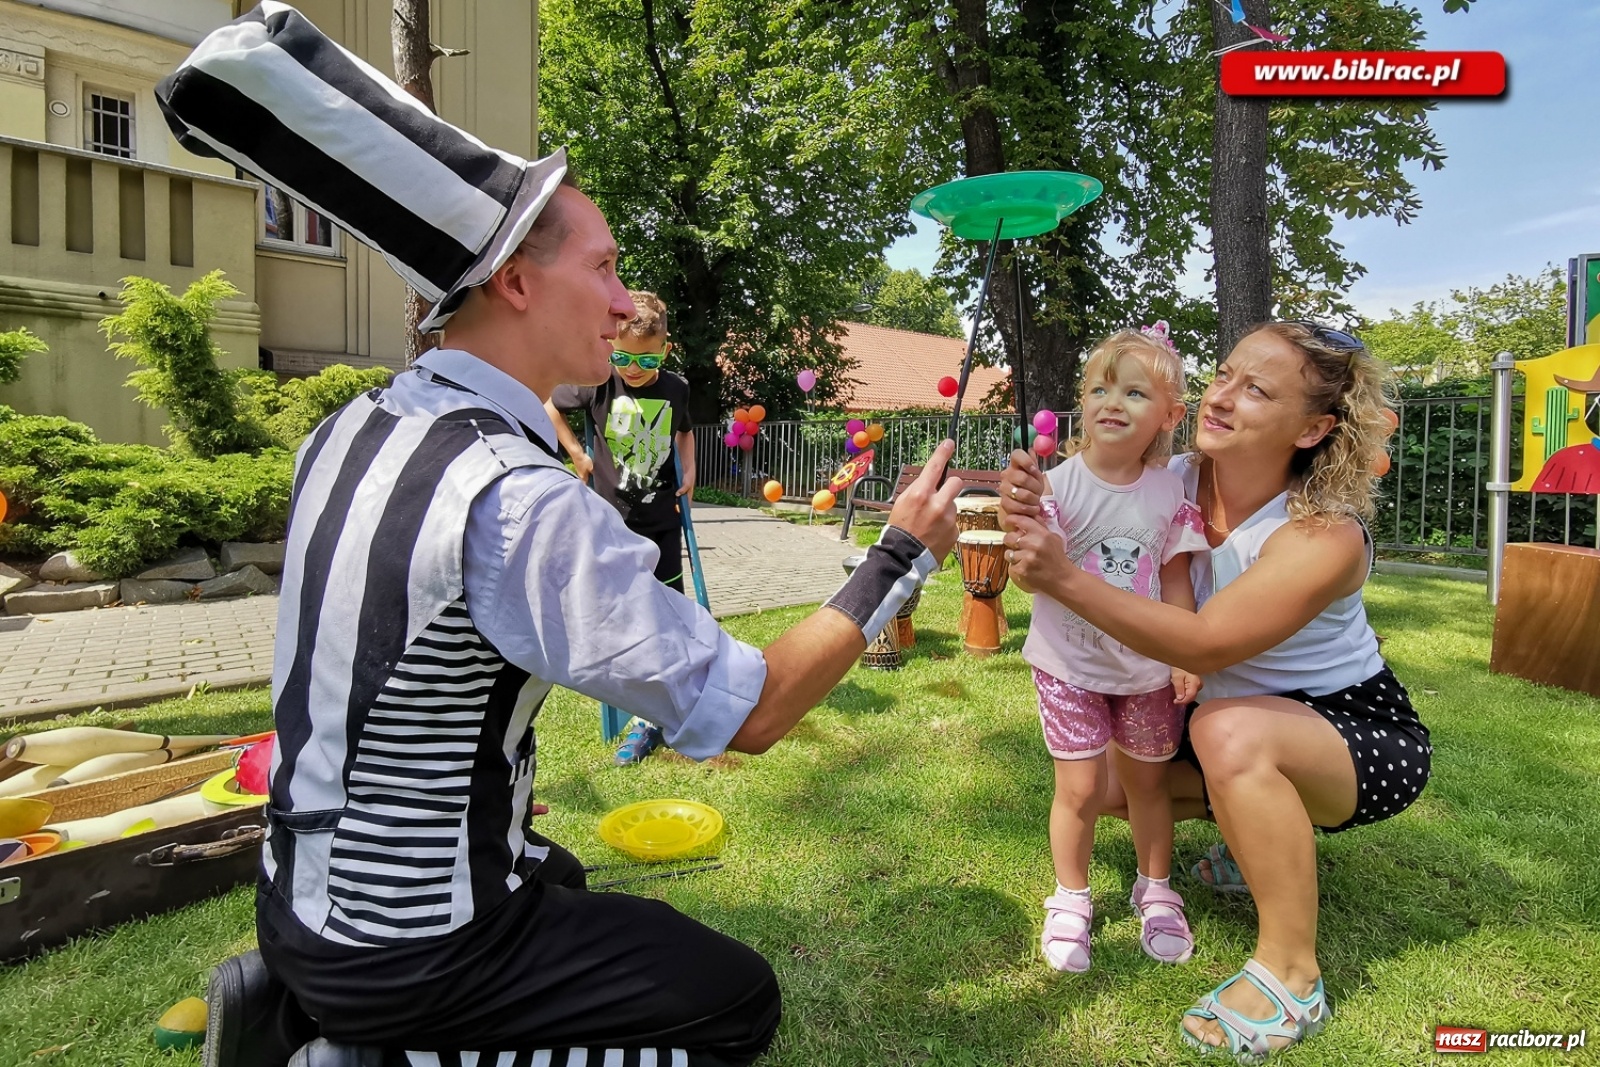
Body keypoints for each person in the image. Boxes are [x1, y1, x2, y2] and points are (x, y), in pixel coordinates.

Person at [156, 9, 961, 1067]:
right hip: (413, 947)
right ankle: (358, 1053)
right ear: (517, 282)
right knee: (734, 1001)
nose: (626, 304)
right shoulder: (512, 494)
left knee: (563, 877)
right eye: (607, 268)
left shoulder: (346, 428)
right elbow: (753, 710)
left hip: (295, 902)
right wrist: (899, 553)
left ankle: (299, 1001)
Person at [998, 321, 1430, 1061]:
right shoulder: (1173, 478)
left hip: (1349, 729)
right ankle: (1248, 838)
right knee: (1108, 787)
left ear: (1313, 429)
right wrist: (1032, 504)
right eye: (1225, 374)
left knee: (1226, 733)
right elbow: (1088, 490)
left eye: (1256, 390)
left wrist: (1060, 576)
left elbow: (1202, 643)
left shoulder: (1324, 534)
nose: (1221, 397)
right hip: (1219, 711)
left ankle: (1292, 976)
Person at [1023, 324, 1208, 975]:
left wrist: (1184, 651)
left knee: (1146, 786)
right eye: (1100, 388)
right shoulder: (1056, 486)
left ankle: (1155, 889)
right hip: (1068, 667)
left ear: (1170, 416)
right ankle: (1071, 898)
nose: (1112, 402)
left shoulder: (1170, 492)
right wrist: (1024, 522)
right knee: (1077, 789)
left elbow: (1176, 580)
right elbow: (1030, 576)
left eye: (1134, 392)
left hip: (1147, 671)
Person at [545, 291, 696, 764]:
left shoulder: (676, 388)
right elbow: (549, 402)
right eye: (623, 357)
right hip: (610, 525)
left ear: (665, 350)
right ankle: (636, 700)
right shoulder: (599, 381)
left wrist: (690, 469)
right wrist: (576, 452)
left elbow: (684, 431)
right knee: (620, 617)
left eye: (646, 359)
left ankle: (657, 711)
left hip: (662, 524)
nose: (633, 368)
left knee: (666, 615)